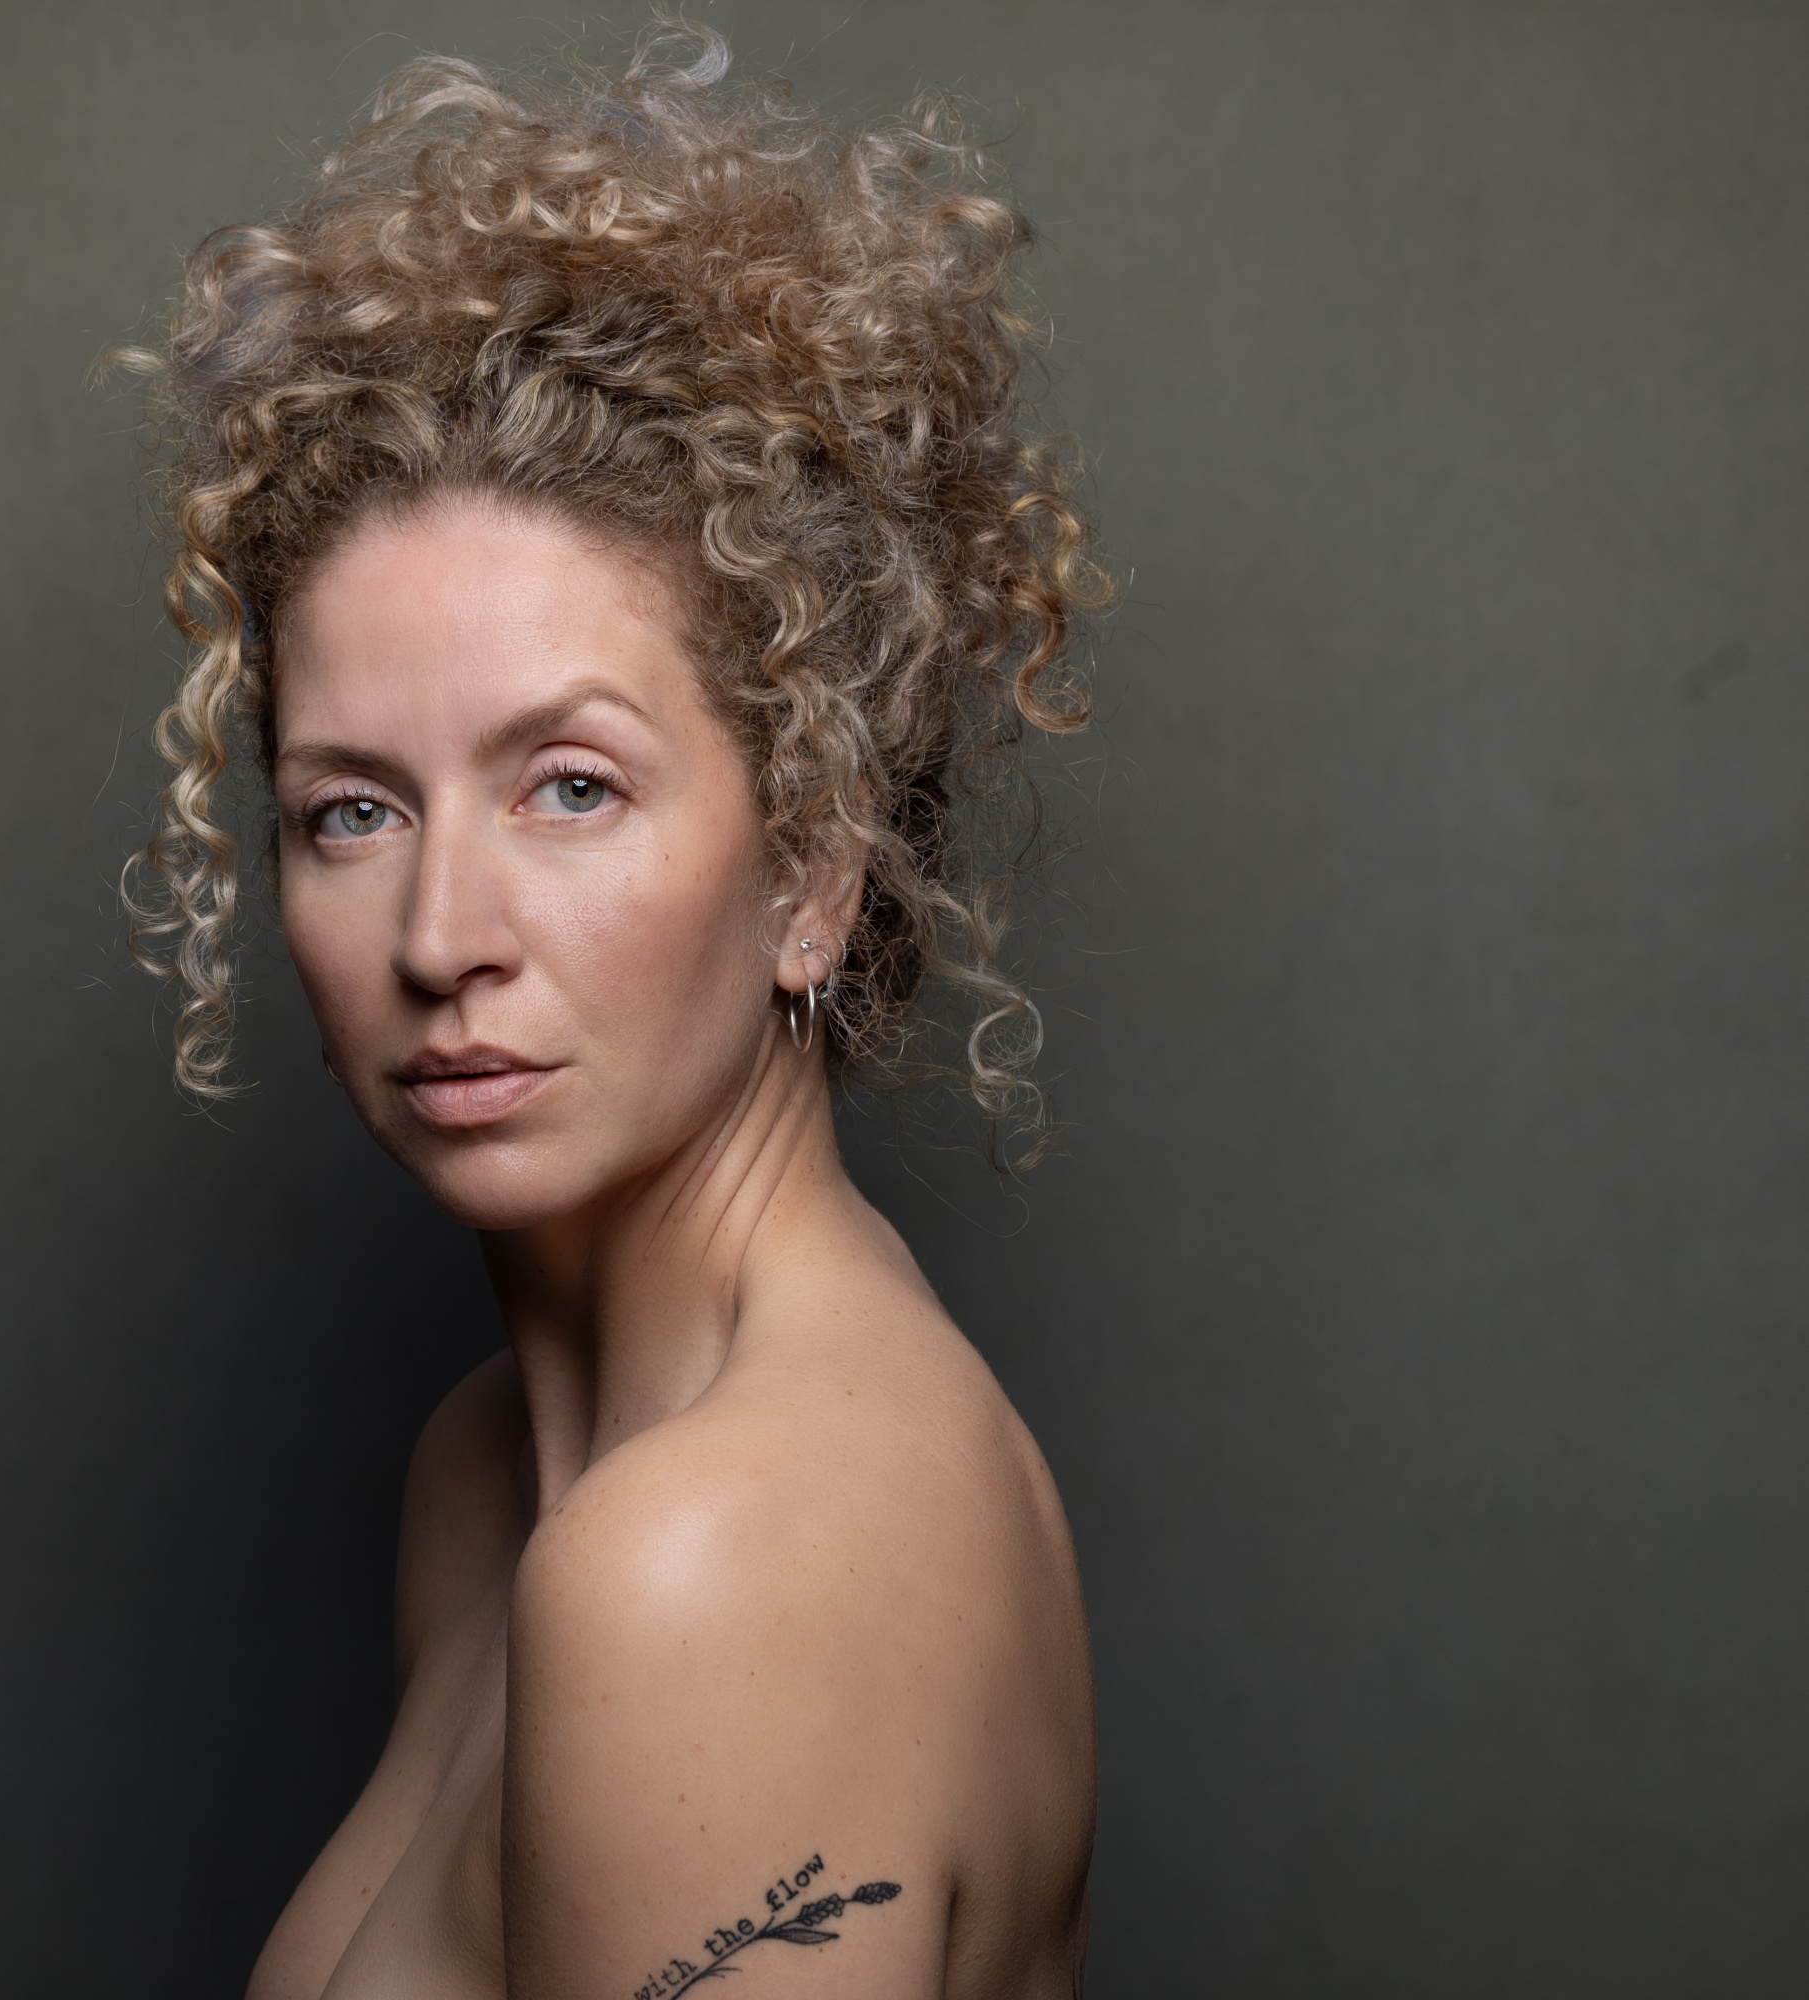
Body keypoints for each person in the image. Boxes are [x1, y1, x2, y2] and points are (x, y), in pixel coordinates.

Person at [112, 23, 1105, 1998]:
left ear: (809, 868)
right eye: (352, 810)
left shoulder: (716, 1558)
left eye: (569, 786)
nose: (439, 934)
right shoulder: (490, 1476)